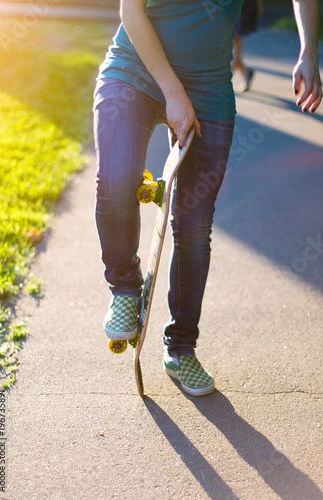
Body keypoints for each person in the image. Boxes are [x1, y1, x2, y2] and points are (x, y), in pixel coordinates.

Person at [93, 0, 322, 396]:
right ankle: (125, 288)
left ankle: (181, 348)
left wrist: (308, 49)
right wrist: (173, 92)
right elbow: (131, 12)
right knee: (115, 181)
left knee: (194, 226)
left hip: (209, 86)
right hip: (134, 73)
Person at [232, 0, 264, 91]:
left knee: (235, 41)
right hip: (226, 9)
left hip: (239, 8)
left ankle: (225, 82)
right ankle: (245, 72)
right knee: (230, 44)